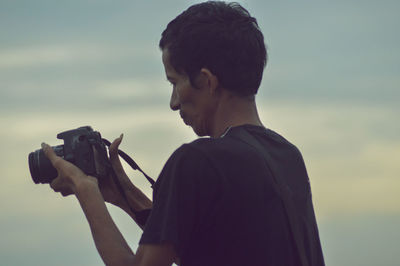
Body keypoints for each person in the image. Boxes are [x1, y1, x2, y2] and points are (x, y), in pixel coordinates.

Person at [42, 1, 325, 265]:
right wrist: (126, 194)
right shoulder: (287, 157)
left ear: (207, 81)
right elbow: (213, 245)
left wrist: (86, 191)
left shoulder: (196, 160)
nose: (174, 102)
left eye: (175, 83)